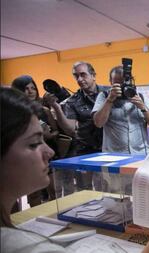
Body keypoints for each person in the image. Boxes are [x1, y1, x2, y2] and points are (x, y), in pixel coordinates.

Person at [0, 87, 149, 253]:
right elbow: (97, 122)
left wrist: (142, 107)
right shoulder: (22, 245)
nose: (50, 152)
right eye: (34, 143)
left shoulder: (139, 98)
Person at [44, 61, 109, 193]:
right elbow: (70, 129)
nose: (79, 79)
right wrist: (56, 107)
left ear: (93, 75)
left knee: (106, 188)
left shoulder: (109, 93)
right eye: (76, 76)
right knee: (84, 191)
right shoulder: (73, 100)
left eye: (83, 75)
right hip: (85, 149)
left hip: (108, 148)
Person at [11, 75, 59, 206]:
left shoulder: (44, 110)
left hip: (47, 154)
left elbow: (55, 131)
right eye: (26, 88)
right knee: (34, 193)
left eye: (33, 88)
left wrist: (48, 135)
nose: (31, 91)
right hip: (27, 157)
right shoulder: (14, 113)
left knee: (55, 191)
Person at [92, 65, 149, 155]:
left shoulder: (141, 96)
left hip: (141, 154)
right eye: (117, 83)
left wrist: (143, 108)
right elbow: (98, 123)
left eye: (124, 82)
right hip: (114, 155)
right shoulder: (103, 96)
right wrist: (109, 100)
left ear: (130, 81)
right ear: (111, 82)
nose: (122, 86)